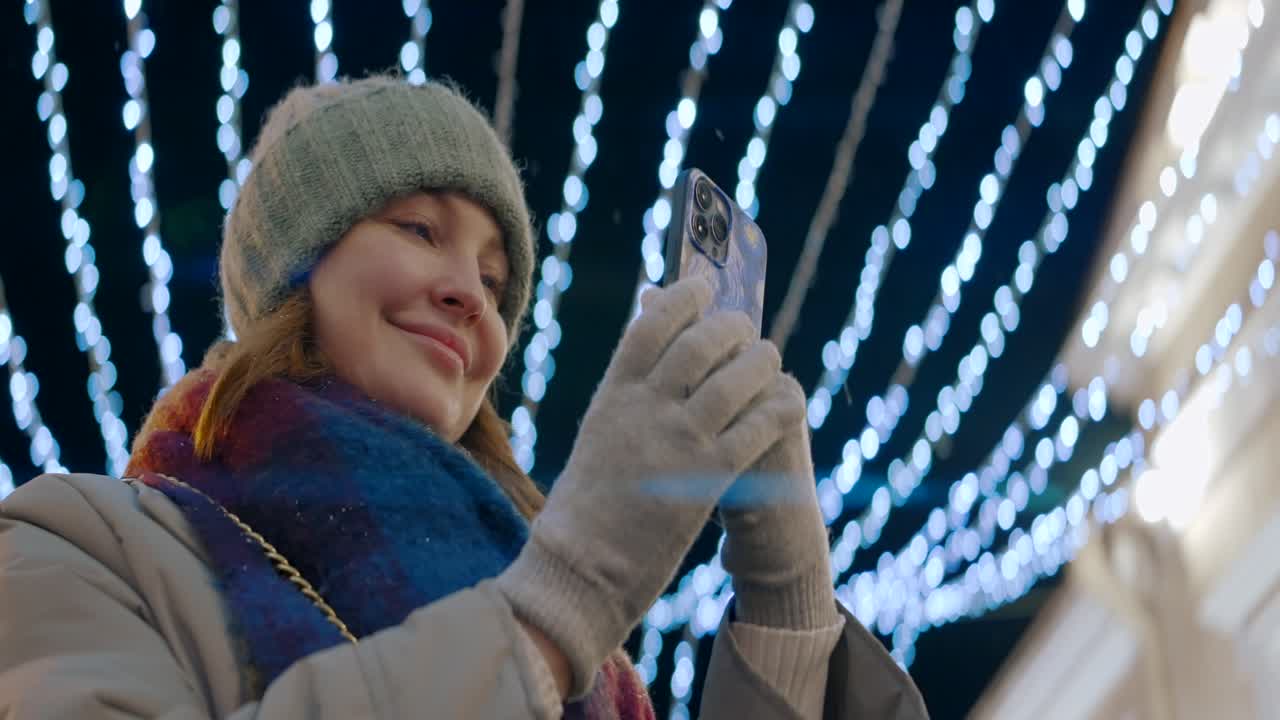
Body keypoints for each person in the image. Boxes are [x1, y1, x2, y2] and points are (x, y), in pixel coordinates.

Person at [0, 75, 927, 719]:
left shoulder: (593, 663)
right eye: (417, 228)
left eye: (494, 281)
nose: (470, 298)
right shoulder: (74, 547)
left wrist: (788, 616)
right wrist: (547, 616)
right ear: (297, 266)